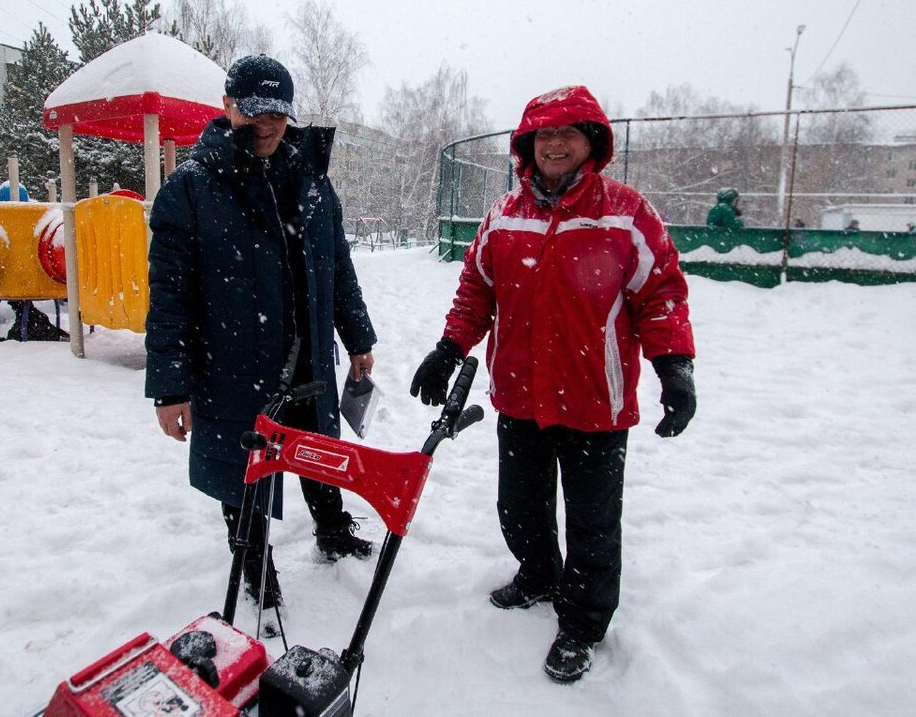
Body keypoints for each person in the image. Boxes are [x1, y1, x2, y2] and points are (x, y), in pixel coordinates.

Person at [409, 86, 696, 684]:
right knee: (519, 508)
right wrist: (448, 349)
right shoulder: (504, 215)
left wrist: (675, 367)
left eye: (569, 134)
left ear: (591, 142)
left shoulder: (626, 213)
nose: (556, 144)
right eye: (545, 135)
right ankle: (538, 574)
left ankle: (583, 622)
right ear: (527, 147)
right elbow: (476, 292)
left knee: (592, 524)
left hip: (596, 401)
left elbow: (661, 293)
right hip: (519, 396)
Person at [144, 55, 378, 615]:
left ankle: (331, 526)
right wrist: (169, 387)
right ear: (228, 108)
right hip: (233, 363)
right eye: (254, 111)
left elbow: (336, 266)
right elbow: (168, 296)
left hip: (307, 359)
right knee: (243, 469)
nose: (268, 124)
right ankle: (254, 566)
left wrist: (359, 336)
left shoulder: (311, 179)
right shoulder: (192, 188)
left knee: (318, 452)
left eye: (278, 111)